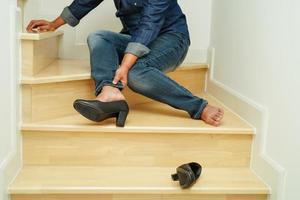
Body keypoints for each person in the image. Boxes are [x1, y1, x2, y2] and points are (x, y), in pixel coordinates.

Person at [26, 0, 224, 127]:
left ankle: (199, 107)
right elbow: (85, 2)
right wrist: (54, 24)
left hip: (171, 38)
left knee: (136, 73)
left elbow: (150, 23)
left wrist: (126, 65)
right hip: (134, 37)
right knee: (98, 37)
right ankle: (109, 90)